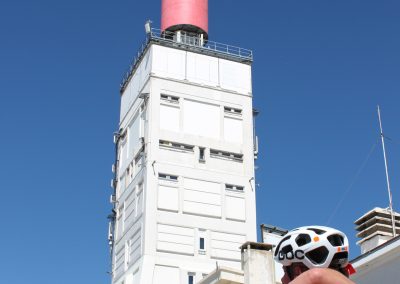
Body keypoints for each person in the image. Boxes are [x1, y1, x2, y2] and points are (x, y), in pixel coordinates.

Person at [274, 226, 356, 284]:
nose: (282, 279)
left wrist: (312, 277)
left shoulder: (313, 276)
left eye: (284, 271)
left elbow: (315, 276)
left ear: (297, 271)